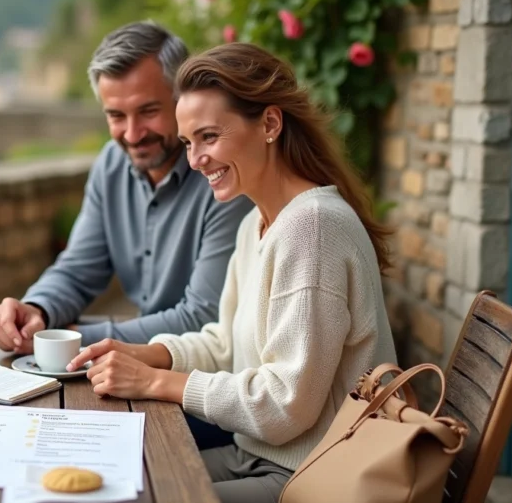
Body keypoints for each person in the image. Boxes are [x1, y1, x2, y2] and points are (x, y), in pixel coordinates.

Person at [65, 42, 399, 503]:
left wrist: (156, 383)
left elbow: (285, 406)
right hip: (261, 454)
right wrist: (148, 353)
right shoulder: (257, 223)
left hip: (317, 473)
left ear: (269, 123)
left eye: (209, 136)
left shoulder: (312, 229)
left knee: (133, 495)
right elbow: (225, 344)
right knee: (114, 477)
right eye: (187, 142)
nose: (195, 158)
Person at [0, 21, 252, 356]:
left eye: (148, 111)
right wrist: (37, 309)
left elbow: (203, 317)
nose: (132, 134)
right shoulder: (111, 164)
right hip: (143, 370)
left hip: (207, 381)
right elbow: (78, 269)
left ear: (183, 99)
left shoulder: (223, 174)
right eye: (116, 116)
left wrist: (75, 338)